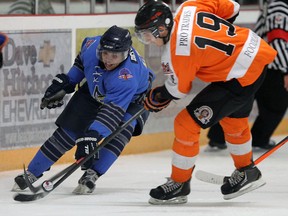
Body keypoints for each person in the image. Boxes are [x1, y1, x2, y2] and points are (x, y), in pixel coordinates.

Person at [134, 0, 277, 204]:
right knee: (232, 119)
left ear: (162, 28)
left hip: (240, 75)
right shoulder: (188, 7)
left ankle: (180, 183)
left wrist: (159, 96)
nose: (146, 39)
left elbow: (179, 90)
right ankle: (247, 171)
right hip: (253, 52)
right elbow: (233, 7)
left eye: (148, 34)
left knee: (185, 123)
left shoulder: (177, 52)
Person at [12, 25, 155, 195]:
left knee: (118, 135)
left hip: (131, 100)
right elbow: (82, 64)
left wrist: (92, 135)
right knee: (68, 131)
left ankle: (92, 174)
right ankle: (32, 172)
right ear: (100, 49)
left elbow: (112, 112)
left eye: (115, 56)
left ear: (124, 54)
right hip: (97, 88)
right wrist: (67, 83)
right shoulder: (91, 45)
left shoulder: (127, 77)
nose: (108, 59)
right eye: (105, 54)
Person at [206, 0, 288, 151]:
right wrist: (286, 70)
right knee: (275, 104)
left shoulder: (275, 6)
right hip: (270, 65)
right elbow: (278, 41)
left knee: (241, 99)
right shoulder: (279, 7)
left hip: (260, 62)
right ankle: (258, 139)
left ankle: (217, 137)